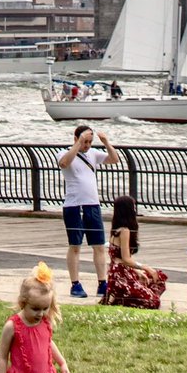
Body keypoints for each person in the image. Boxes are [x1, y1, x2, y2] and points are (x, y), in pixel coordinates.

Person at [56, 124, 121, 298]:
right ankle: (75, 284)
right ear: (76, 139)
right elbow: (63, 164)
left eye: (90, 142)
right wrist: (77, 145)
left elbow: (114, 159)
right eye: (85, 142)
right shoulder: (64, 153)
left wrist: (106, 142)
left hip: (92, 205)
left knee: (99, 246)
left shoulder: (92, 154)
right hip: (73, 206)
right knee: (75, 245)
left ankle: (102, 282)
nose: (87, 145)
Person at [100, 194, 168, 309]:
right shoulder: (124, 231)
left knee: (157, 277)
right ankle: (122, 298)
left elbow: (119, 259)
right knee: (153, 302)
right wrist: (145, 267)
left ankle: (122, 297)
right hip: (121, 274)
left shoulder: (116, 229)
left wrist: (136, 271)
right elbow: (126, 259)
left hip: (119, 272)